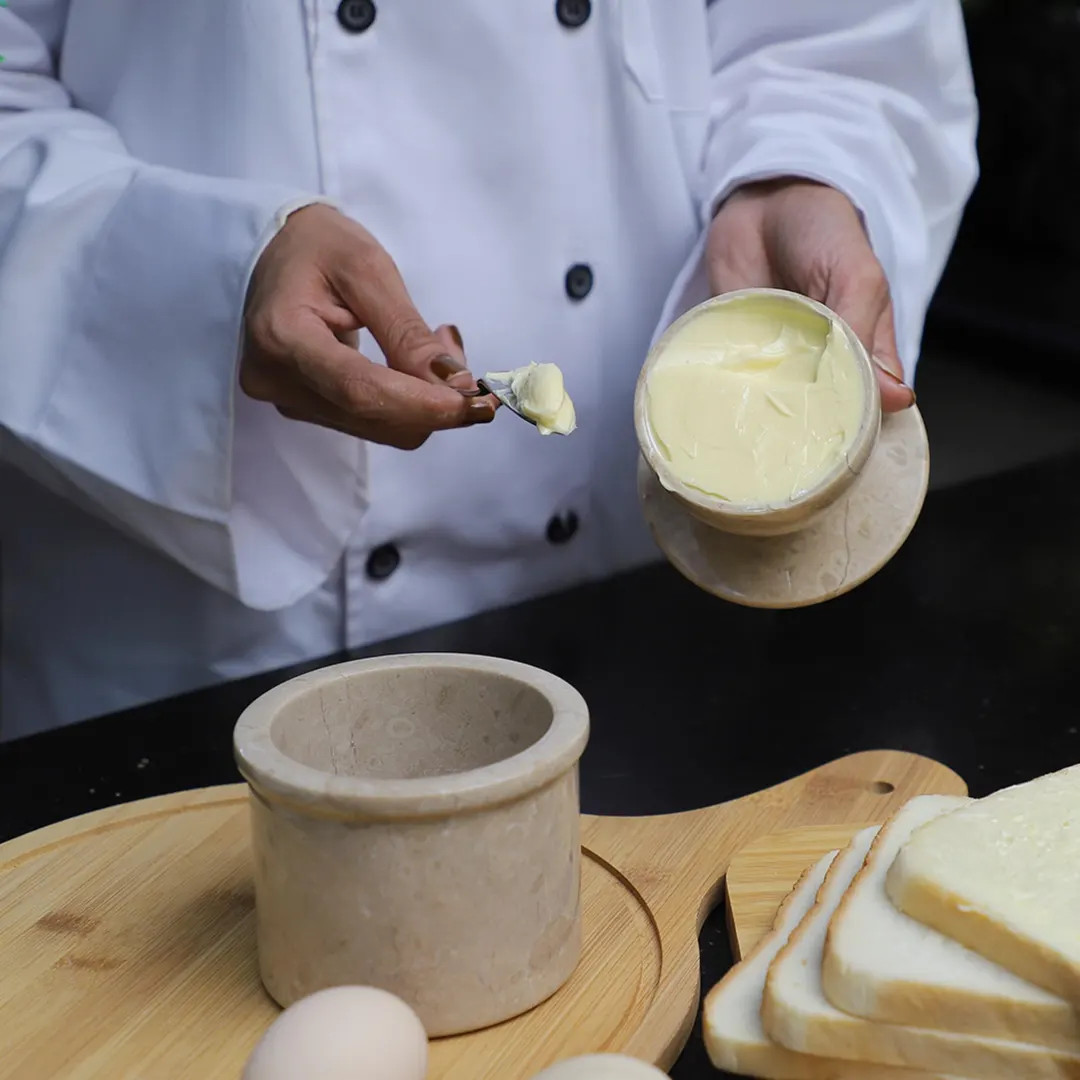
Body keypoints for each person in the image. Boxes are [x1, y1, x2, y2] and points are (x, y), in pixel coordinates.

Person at [0, 1, 977, 740]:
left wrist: (796, 173)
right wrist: (203, 280)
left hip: (639, 605)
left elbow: (847, 34)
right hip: (188, 643)